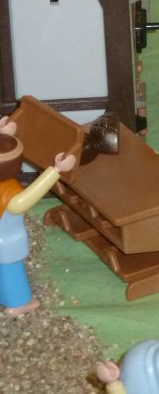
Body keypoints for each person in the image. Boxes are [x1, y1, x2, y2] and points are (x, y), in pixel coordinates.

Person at [0, 117, 76, 315]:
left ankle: (21, 302)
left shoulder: (11, 196)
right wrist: (5, 133)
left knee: (10, 274)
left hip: (6, 244)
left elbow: (33, 193)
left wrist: (56, 170)